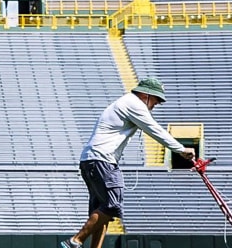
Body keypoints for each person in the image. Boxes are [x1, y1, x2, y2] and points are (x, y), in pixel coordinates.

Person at [60, 77, 196, 248]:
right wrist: (181, 149)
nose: (156, 104)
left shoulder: (125, 103)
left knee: (103, 211)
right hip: (102, 160)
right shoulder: (134, 103)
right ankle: (76, 241)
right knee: (112, 205)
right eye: (156, 99)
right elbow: (154, 129)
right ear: (146, 95)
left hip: (91, 161)